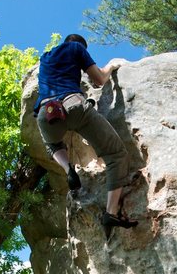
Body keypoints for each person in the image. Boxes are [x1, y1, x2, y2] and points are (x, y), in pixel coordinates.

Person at [34, 34, 137, 239]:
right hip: (72, 105)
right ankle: (111, 213)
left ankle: (68, 169)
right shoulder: (76, 48)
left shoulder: (45, 57)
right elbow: (98, 79)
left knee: (52, 144)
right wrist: (111, 67)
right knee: (115, 154)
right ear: (80, 45)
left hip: (46, 113)